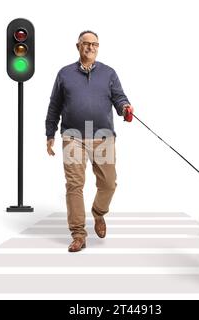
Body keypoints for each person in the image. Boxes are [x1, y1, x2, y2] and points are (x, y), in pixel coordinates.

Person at [45, 30, 133, 252]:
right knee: (74, 185)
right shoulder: (64, 74)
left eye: (95, 44)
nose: (91, 47)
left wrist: (125, 108)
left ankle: (99, 213)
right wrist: (49, 133)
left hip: (102, 136)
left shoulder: (109, 73)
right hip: (72, 135)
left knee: (108, 183)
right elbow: (54, 105)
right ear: (78, 46)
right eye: (86, 44)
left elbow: (119, 97)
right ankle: (78, 234)